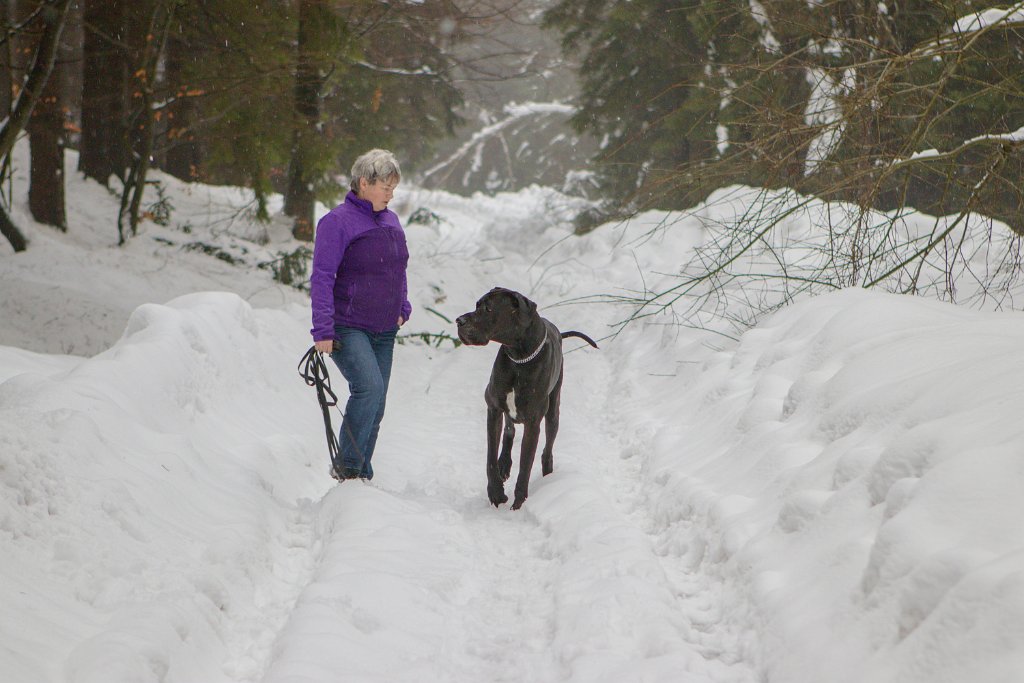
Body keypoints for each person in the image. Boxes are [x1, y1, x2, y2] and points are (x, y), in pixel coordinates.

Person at [310, 149, 410, 481]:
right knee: (367, 388)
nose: (391, 195)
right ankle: (348, 468)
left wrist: (402, 307)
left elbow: (398, 268)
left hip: (385, 330)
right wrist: (322, 329)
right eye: (386, 187)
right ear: (364, 183)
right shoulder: (337, 222)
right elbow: (323, 276)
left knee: (377, 402)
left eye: (393, 188)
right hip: (349, 326)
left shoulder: (391, 220)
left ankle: (362, 472)